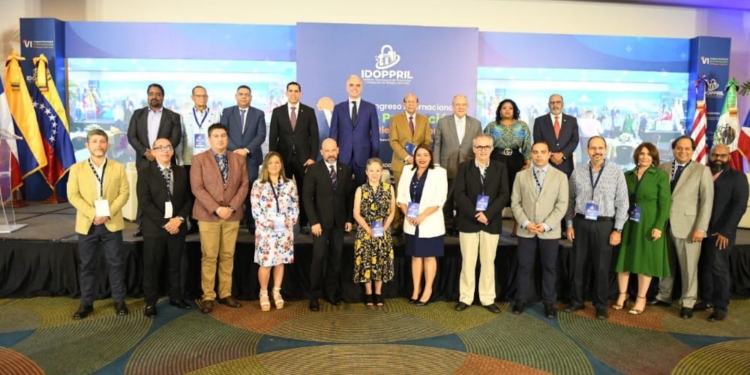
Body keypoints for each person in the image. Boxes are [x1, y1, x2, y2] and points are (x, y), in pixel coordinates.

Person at [67, 129, 130, 320]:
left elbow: (124, 193)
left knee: (116, 263)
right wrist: (93, 214)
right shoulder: (77, 169)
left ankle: (119, 300)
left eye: (102, 141)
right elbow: (73, 195)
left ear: (108, 145)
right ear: (87, 145)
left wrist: (107, 212)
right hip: (88, 223)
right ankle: (86, 303)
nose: (99, 145)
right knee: (87, 265)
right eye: (94, 141)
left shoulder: (118, 167)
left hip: (111, 223)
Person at [565, 136, 629, 320]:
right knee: (578, 264)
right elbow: (570, 200)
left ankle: (600, 304)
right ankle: (576, 301)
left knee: (601, 267)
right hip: (581, 222)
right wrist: (569, 224)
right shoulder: (578, 172)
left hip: (605, 224)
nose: (597, 152)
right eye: (593, 148)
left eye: (600, 148)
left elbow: (623, 203)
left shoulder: (617, 172)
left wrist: (618, 229)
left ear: (606, 150)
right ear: (587, 150)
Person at [650, 136, 713, 319]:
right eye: (679, 148)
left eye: (687, 149)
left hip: (689, 227)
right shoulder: (663, 168)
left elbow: (707, 203)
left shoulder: (702, 171)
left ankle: (688, 302)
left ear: (693, 151)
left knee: (689, 267)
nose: (683, 151)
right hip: (664, 224)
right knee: (665, 263)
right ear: (673, 149)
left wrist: (701, 228)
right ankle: (664, 295)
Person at [190, 123, 250, 314]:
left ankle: (225, 293)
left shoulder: (238, 159)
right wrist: (217, 208)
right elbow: (197, 187)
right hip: (208, 216)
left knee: (227, 256)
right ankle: (208, 296)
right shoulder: (199, 159)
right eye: (216, 136)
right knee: (209, 256)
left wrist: (231, 207)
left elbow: (244, 185)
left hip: (232, 216)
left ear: (228, 138)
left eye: (223, 135)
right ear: (209, 139)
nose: (220, 139)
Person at [511, 141, 568, 319]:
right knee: (524, 266)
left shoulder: (560, 176)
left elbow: (562, 204)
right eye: (535, 152)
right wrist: (526, 222)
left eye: (543, 152)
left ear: (549, 153)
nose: (539, 155)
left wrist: (545, 225)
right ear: (531, 154)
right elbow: (515, 202)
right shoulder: (521, 176)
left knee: (549, 268)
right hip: (526, 230)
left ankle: (549, 303)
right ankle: (521, 299)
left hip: (549, 231)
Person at [136, 138, 193, 317]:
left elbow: (188, 199)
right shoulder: (145, 172)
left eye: (168, 147)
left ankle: (176, 297)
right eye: (160, 148)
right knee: (152, 266)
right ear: (153, 151)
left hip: (178, 227)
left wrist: (180, 219)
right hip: (155, 228)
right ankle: (150, 302)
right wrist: (165, 223)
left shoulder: (181, 171)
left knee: (176, 265)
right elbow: (145, 203)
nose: (165, 151)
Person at [613, 142, 671, 315]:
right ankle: (623, 295)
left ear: (653, 157)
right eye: (641, 153)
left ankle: (641, 298)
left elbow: (665, 203)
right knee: (624, 260)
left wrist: (659, 226)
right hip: (628, 222)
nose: (644, 157)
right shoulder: (627, 175)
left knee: (644, 262)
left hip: (649, 223)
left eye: (648, 154)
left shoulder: (659, 176)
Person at [454, 134, 509, 313]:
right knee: (468, 262)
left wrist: (488, 214)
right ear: (474, 149)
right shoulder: (464, 168)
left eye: (486, 147)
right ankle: (466, 297)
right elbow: (459, 195)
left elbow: (504, 195)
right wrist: (476, 214)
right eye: (479, 147)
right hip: (469, 221)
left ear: (492, 149)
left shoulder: (500, 168)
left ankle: (487, 298)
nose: (483, 150)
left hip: (491, 222)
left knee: (488, 262)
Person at [696, 145, 748, 321]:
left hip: (722, 233)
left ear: (728, 157)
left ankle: (720, 307)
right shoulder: (702, 174)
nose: (718, 158)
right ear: (710, 155)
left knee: (718, 268)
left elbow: (739, 207)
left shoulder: (738, 178)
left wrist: (726, 231)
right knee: (704, 266)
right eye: (715, 155)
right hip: (701, 230)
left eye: (723, 156)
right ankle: (707, 299)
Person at [303, 138, 355, 311]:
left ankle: (331, 293)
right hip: (320, 225)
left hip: (339, 223)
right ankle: (314, 296)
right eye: (327, 151)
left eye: (333, 150)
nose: (331, 154)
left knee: (335, 260)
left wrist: (349, 219)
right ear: (321, 152)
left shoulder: (345, 169)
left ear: (338, 150)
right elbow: (307, 198)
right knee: (318, 259)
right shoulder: (313, 169)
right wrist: (314, 222)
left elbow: (349, 197)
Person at [127, 83, 182, 237]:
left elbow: (175, 138)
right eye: (151, 94)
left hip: (165, 160)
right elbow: (132, 136)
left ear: (163, 97)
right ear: (147, 96)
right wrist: (146, 152)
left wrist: (159, 153)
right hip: (144, 160)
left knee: (165, 192)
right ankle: (142, 225)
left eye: (158, 94)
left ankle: (168, 222)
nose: (154, 97)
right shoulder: (137, 114)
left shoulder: (173, 116)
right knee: (143, 193)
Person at [397, 144, 448, 306]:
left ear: (431, 156)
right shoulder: (407, 171)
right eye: (419, 155)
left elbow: (440, 200)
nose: (422, 158)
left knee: (429, 257)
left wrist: (422, 216)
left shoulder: (440, 173)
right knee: (416, 256)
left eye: (425, 155)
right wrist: (409, 215)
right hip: (412, 222)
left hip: (430, 222)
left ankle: (427, 290)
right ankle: (415, 290)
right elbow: (401, 197)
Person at [250, 152, 299, 312]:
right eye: (270, 163)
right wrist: (268, 223)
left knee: (279, 262)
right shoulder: (258, 184)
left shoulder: (289, 184)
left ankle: (276, 292)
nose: (274, 166)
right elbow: (255, 209)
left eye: (277, 162)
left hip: (284, 230)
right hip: (266, 231)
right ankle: (263, 293)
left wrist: (289, 221)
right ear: (266, 165)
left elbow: (294, 206)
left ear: (281, 165)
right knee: (266, 263)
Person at [268, 82, 319, 233]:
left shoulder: (308, 111)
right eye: (290, 91)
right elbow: (273, 137)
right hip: (283, 160)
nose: (293, 94)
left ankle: (303, 224)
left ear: (300, 94)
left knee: (305, 192)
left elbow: (314, 137)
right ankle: (282, 223)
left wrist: (312, 157)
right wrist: (274, 160)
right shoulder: (278, 112)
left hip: (304, 160)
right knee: (282, 193)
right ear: (286, 93)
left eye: (296, 91)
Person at [433, 94, 482, 235]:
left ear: (467, 106)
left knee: (464, 197)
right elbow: (437, 144)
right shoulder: (443, 122)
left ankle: (460, 224)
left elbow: (479, 145)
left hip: (468, 167)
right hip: (446, 167)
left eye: (463, 104)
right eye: (458, 104)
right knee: (447, 198)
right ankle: (448, 226)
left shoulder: (476, 123)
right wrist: (436, 164)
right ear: (452, 106)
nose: (461, 107)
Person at [221, 85, 266, 234]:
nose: (244, 97)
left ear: (251, 97)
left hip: (251, 157)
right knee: (233, 188)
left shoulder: (258, 114)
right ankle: (236, 220)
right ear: (236, 96)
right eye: (241, 94)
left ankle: (252, 223)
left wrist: (245, 150)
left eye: (247, 94)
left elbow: (261, 135)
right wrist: (235, 150)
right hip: (231, 157)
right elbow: (223, 132)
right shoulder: (227, 112)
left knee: (251, 189)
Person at [483, 98, 531, 236]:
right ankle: (493, 226)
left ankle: (516, 229)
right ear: (499, 110)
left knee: (517, 194)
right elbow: (484, 143)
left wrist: (527, 162)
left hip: (516, 161)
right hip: (496, 160)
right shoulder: (492, 126)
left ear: (514, 110)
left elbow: (527, 145)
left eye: (510, 108)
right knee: (495, 193)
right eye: (504, 108)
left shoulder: (522, 126)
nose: (507, 110)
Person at [352, 158, 396, 306]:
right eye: (371, 170)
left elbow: (392, 211)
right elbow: (356, 213)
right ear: (366, 172)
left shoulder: (389, 188)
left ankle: (378, 293)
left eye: (377, 170)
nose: (374, 173)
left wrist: (384, 228)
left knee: (381, 262)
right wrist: (368, 229)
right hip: (365, 231)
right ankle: (368, 293)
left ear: (382, 171)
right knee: (366, 262)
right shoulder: (360, 190)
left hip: (383, 231)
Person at [179, 85, 221, 233]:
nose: (201, 98)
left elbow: (218, 137)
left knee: (210, 191)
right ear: (192, 98)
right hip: (191, 159)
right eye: (198, 96)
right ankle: (194, 222)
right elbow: (181, 139)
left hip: (210, 160)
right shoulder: (184, 115)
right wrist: (181, 161)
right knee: (192, 192)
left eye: (204, 96)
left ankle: (210, 218)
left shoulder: (215, 114)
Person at [389, 93, 432, 234]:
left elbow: (427, 141)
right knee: (399, 194)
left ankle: (413, 221)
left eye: (414, 102)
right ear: (404, 104)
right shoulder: (395, 119)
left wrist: (419, 156)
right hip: (401, 163)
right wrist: (407, 157)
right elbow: (393, 141)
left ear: (418, 104)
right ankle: (397, 224)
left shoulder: (424, 120)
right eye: (408, 101)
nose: (411, 104)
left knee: (415, 193)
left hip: (419, 164)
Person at [329, 75, 379, 186]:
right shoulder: (338, 108)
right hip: (342, 157)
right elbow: (333, 133)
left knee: (363, 190)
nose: (354, 88)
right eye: (351, 85)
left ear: (362, 88)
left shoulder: (370, 108)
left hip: (363, 157)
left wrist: (374, 158)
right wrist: (332, 154)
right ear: (347, 87)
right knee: (341, 190)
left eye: (358, 85)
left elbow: (375, 134)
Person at [532, 94, 579, 177]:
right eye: (552, 103)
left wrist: (562, 154)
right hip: (546, 164)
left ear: (562, 104)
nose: (555, 105)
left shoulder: (571, 120)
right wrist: (551, 155)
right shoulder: (540, 121)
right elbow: (538, 141)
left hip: (566, 165)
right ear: (548, 105)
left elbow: (574, 140)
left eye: (558, 102)